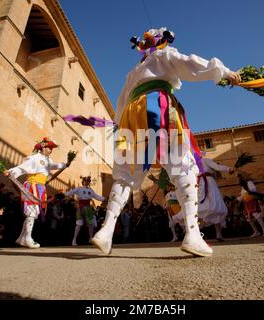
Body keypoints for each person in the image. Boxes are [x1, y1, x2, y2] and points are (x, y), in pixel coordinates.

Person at [91, 27, 241, 257]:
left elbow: (121, 103)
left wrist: (120, 125)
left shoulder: (133, 72)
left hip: (132, 114)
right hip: (158, 106)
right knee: (183, 166)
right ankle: (192, 234)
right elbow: (189, 64)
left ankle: (106, 229)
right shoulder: (163, 55)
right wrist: (223, 71)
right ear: (162, 41)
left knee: (127, 172)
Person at [5, 137, 71, 248]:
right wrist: (11, 172)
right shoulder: (33, 158)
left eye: (52, 148)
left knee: (33, 213)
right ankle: (27, 238)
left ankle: (22, 238)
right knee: (32, 212)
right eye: (49, 147)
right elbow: (22, 168)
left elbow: (54, 166)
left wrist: (65, 164)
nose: (51, 150)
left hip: (40, 188)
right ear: (43, 147)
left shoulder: (48, 160)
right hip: (32, 186)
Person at [198, 156, 235, 241]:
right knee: (200, 208)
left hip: (208, 183)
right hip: (199, 184)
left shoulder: (205, 160)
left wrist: (228, 169)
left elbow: (217, 167)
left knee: (215, 207)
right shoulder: (192, 164)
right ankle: (198, 234)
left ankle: (218, 233)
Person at [65, 176, 106, 246]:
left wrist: (104, 199)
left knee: (91, 224)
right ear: (83, 182)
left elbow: (97, 196)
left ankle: (90, 238)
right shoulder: (79, 189)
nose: (87, 182)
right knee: (79, 224)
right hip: (80, 207)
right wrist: (65, 194)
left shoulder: (90, 190)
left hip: (88, 208)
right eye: (85, 181)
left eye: (88, 181)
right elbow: (71, 192)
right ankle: (74, 240)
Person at [237, 172, 264, 237]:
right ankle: (256, 231)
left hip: (251, 200)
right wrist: (239, 198)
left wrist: (247, 192)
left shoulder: (249, 182)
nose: (239, 179)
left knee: (257, 216)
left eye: (240, 177)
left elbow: (253, 189)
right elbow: (243, 194)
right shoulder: (243, 186)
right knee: (249, 218)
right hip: (246, 202)